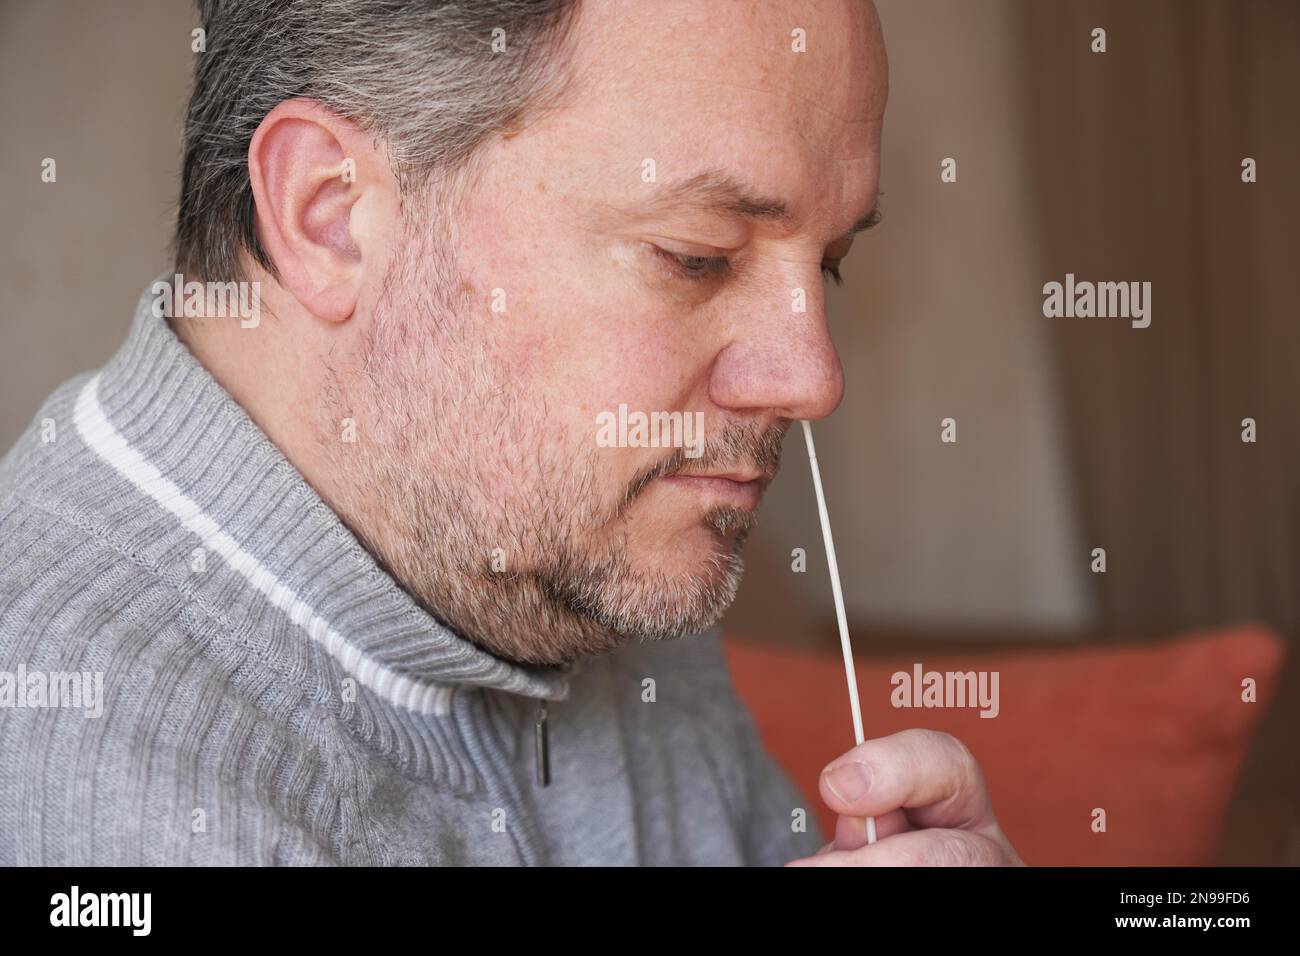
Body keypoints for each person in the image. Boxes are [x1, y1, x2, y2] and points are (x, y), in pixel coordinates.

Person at [0, 0, 1021, 865]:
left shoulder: (578, 538)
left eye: (828, 262)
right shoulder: (77, 761)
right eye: (696, 255)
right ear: (330, 214)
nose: (812, 378)